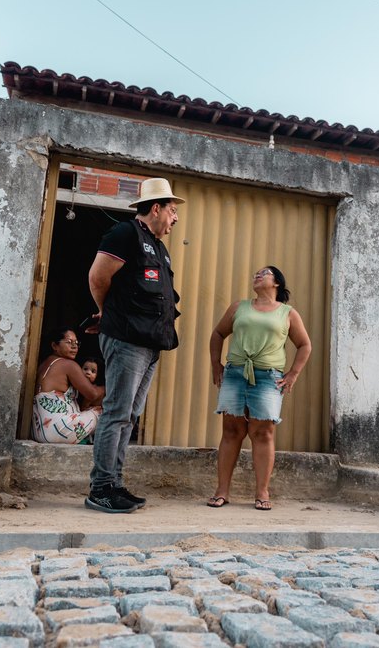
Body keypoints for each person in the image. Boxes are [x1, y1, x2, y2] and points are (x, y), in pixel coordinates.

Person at [84, 177, 184, 513]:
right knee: (116, 413)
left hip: (150, 343)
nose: (175, 218)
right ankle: (100, 489)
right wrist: (105, 312)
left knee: (129, 416)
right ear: (155, 208)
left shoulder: (158, 247)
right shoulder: (124, 234)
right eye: (172, 211)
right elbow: (98, 278)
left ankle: (115, 484)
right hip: (126, 339)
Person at [207, 265, 312, 511]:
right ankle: (222, 490)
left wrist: (293, 375)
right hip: (235, 373)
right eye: (255, 272)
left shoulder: (288, 313)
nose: (257, 274)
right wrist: (216, 365)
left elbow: (305, 345)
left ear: (277, 283)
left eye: (264, 273)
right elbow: (218, 334)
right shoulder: (239, 307)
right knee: (231, 431)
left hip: (268, 378)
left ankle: (262, 491)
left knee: (263, 433)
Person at [32, 328, 105, 445]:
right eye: (69, 342)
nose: (74, 346)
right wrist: (109, 387)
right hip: (61, 431)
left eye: (76, 343)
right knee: (104, 412)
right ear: (54, 346)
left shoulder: (43, 365)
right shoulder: (68, 364)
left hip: (40, 434)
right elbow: (92, 394)